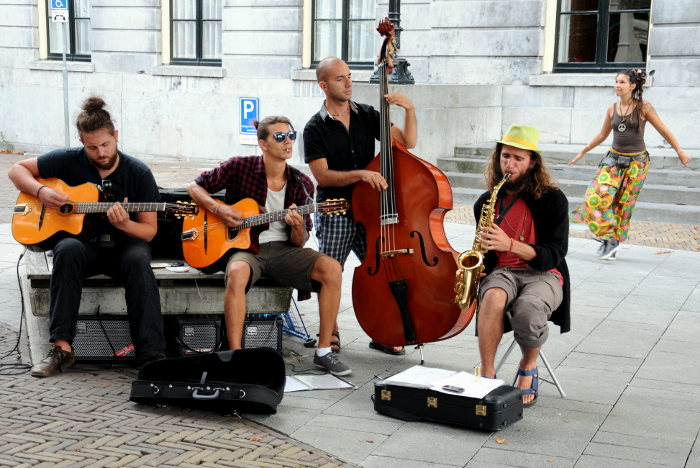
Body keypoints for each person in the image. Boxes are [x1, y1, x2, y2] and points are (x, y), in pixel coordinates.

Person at [8, 96, 167, 376]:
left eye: (105, 144)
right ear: (82, 142)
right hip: (85, 247)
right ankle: (61, 350)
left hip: (124, 247)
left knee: (139, 258)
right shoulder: (68, 160)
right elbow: (16, 170)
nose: (101, 152)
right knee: (66, 248)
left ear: (116, 136)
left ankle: (151, 354)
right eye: (92, 147)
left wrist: (125, 224)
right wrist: (41, 192)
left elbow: (149, 231)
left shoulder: (138, 172)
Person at [186, 116, 352, 376]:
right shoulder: (239, 167)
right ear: (263, 144)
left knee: (332, 268)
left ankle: (323, 352)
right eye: (280, 137)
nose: (288, 141)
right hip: (246, 250)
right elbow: (194, 187)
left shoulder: (302, 182)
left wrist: (298, 226)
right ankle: (235, 355)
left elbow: (300, 241)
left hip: (284, 251)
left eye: (291, 136)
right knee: (237, 272)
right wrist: (218, 209)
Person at [303, 56, 417, 355]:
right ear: (324, 85)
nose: (348, 82)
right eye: (340, 78)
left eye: (349, 76)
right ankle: (330, 331)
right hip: (335, 209)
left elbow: (407, 142)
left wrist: (409, 109)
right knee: (331, 272)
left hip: (369, 209)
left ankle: (381, 331)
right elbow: (322, 175)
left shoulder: (367, 114)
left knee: (383, 269)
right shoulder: (314, 128)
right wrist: (361, 174)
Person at [474, 124, 570, 406]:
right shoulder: (486, 201)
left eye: (518, 158)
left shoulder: (553, 199)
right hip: (503, 272)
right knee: (492, 297)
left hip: (544, 273)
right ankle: (487, 374)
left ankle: (528, 366)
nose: (510, 164)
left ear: (532, 162)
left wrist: (511, 245)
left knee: (528, 309)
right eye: (505, 156)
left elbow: (554, 253)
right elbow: (485, 251)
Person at [568, 69, 692, 260]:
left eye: (622, 82)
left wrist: (680, 151)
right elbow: (602, 134)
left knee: (622, 205)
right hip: (613, 161)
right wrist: (583, 151)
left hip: (637, 164)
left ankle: (612, 243)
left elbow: (664, 131)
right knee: (595, 196)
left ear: (633, 86)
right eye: (616, 81)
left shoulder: (644, 107)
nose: (617, 85)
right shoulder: (612, 108)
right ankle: (608, 236)